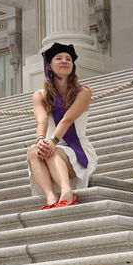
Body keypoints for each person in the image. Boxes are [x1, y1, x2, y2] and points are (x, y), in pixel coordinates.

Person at [26, 42, 99, 208]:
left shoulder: (83, 92)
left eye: (68, 59)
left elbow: (67, 119)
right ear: (49, 66)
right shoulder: (39, 96)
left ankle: (67, 192)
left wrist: (52, 142)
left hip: (77, 149)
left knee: (53, 150)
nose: (64, 61)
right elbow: (42, 120)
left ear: (73, 66)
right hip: (52, 144)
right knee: (33, 151)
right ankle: (51, 197)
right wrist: (40, 141)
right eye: (58, 58)